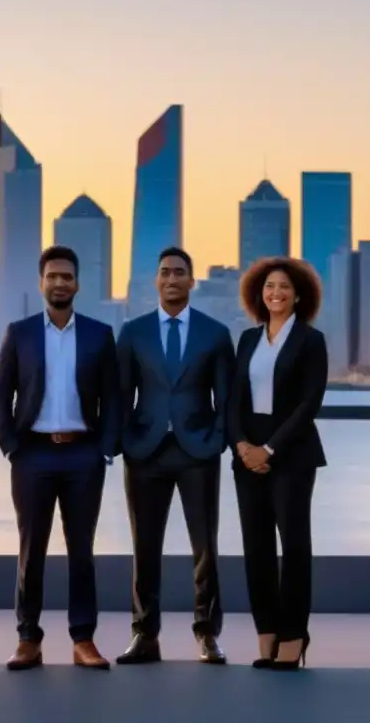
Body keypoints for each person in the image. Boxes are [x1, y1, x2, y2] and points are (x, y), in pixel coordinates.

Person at [0, 246, 120, 671]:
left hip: (84, 454)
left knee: (81, 550)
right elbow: (1, 394)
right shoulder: (20, 332)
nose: (60, 283)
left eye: (67, 276)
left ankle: (83, 639)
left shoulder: (100, 335)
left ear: (78, 283)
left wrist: (104, 447)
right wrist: (11, 445)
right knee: (32, 549)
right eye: (53, 276)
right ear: (41, 282)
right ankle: (28, 638)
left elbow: (114, 397)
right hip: (32, 455)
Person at [115, 246, 235, 665]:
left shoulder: (215, 334)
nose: (171, 279)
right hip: (145, 453)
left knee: (205, 547)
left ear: (191, 280)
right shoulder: (133, 332)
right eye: (164, 272)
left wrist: (218, 439)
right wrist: (122, 441)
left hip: (197, 451)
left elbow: (228, 397)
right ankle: (144, 634)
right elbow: (120, 394)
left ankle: (207, 634)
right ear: (156, 281)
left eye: (179, 272)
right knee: (144, 547)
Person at [227, 257, 328, 671]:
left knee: (295, 547)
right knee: (257, 549)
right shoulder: (248, 340)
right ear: (259, 294)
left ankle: (293, 635)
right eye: (269, 286)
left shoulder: (310, 340)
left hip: (291, 456)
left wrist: (268, 450)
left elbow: (309, 404)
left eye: (285, 287)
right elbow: (233, 400)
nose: (276, 293)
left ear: (299, 295)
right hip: (246, 455)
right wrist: (240, 446)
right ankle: (266, 632)